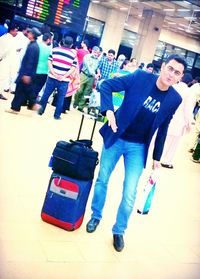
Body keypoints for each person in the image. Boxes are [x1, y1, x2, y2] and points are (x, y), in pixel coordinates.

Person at [86, 54, 187, 252]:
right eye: (170, 68)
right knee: (102, 179)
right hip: (116, 136)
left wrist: (157, 158)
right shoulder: (140, 77)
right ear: (163, 66)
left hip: (138, 147)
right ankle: (95, 216)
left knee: (130, 192)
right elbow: (106, 85)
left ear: (179, 78)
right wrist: (109, 112)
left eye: (177, 73)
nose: (171, 74)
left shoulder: (175, 99)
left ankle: (119, 230)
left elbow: (164, 128)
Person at [38, 36, 78, 119]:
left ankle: (40, 111)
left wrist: (54, 73)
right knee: (61, 98)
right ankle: (57, 116)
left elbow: (49, 61)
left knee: (46, 94)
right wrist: (64, 76)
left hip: (52, 77)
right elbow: (73, 68)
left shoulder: (55, 50)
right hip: (64, 80)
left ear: (63, 42)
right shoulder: (73, 55)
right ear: (71, 45)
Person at [161, 73, 194, 169]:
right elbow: (188, 110)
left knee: (164, 139)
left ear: (181, 78)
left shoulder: (173, 87)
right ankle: (166, 161)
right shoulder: (188, 92)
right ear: (190, 82)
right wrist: (189, 124)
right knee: (174, 143)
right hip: (180, 121)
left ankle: (159, 157)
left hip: (168, 118)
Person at [6, 27, 41, 114]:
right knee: (22, 90)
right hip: (27, 73)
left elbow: (30, 61)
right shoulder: (33, 45)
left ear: (32, 35)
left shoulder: (33, 47)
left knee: (23, 90)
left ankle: (32, 104)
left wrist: (26, 74)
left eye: (29, 33)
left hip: (26, 73)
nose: (28, 34)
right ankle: (18, 107)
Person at [73, 46, 100, 111]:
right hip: (84, 75)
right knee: (79, 90)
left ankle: (81, 106)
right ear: (92, 51)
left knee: (86, 92)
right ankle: (76, 102)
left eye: (97, 53)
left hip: (91, 78)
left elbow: (97, 68)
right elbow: (88, 67)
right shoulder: (87, 57)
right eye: (95, 52)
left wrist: (98, 73)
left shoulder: (98, 60)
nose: (96, 54)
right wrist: (95, 75)